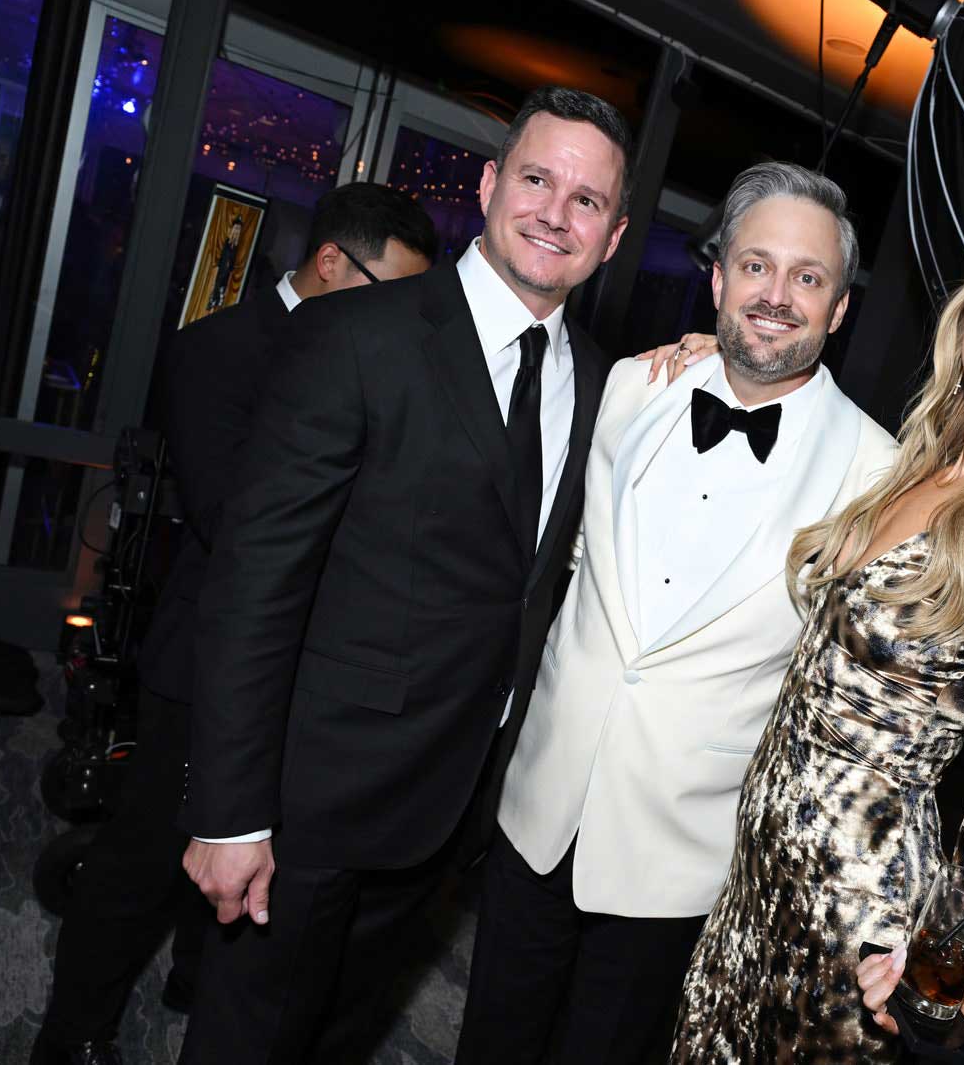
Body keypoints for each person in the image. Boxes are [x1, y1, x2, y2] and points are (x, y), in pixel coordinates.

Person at [174, 86, 632, 1064]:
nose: (556, 211)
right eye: (537, 178)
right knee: (247, 1040)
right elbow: (256, 583)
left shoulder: (606, 382)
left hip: (447, 811)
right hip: (304, 805)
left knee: (340, 1037)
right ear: (488, 182)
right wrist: (230, 809)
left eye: (586, 200)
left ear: (615, 234)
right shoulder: (357, 335)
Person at [669, 208, 964, 1062]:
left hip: (856, 917)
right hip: (753, 877)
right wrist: (712, 352)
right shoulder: (914, 463)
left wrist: (937, 971)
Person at [456, 161, 896, 1065]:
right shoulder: (630, 385)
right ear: (718, 277)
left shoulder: (880, 475)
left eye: (807, 277)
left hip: (681, 855)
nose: (776, 296)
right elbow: (569, 565)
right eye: (755, 265)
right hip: (538, 806)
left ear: (840, 307)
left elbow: (883, 689)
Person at [30, 182, 437, 1065]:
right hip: (209, 660)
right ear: (331, 262)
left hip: (311, 672)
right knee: (140, 863)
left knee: (262, 863)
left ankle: (195, 976)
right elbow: (233, 512)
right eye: (392, 290)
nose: (405, 316)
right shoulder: (219, 348)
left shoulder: (376, 355)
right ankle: (71, 1037)